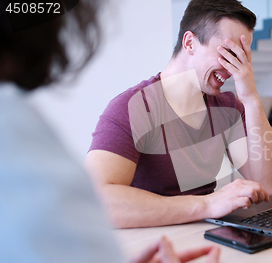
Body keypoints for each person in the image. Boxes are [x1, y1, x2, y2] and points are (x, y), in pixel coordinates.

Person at [0, 0, 219, 262]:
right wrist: (206, 205)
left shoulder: (225, 104)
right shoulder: (14, 131)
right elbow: (101, 200)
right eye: (227, 50)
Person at [84, 0, 272, 229]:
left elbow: (269, 184)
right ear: (189, 43)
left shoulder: (229, 108)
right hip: (154, 245)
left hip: (206, 238)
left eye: (241, 57)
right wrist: (207, 204)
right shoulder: (135, 107)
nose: (234, 68)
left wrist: (250, 98)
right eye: (228, 53)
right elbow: (95, 200)